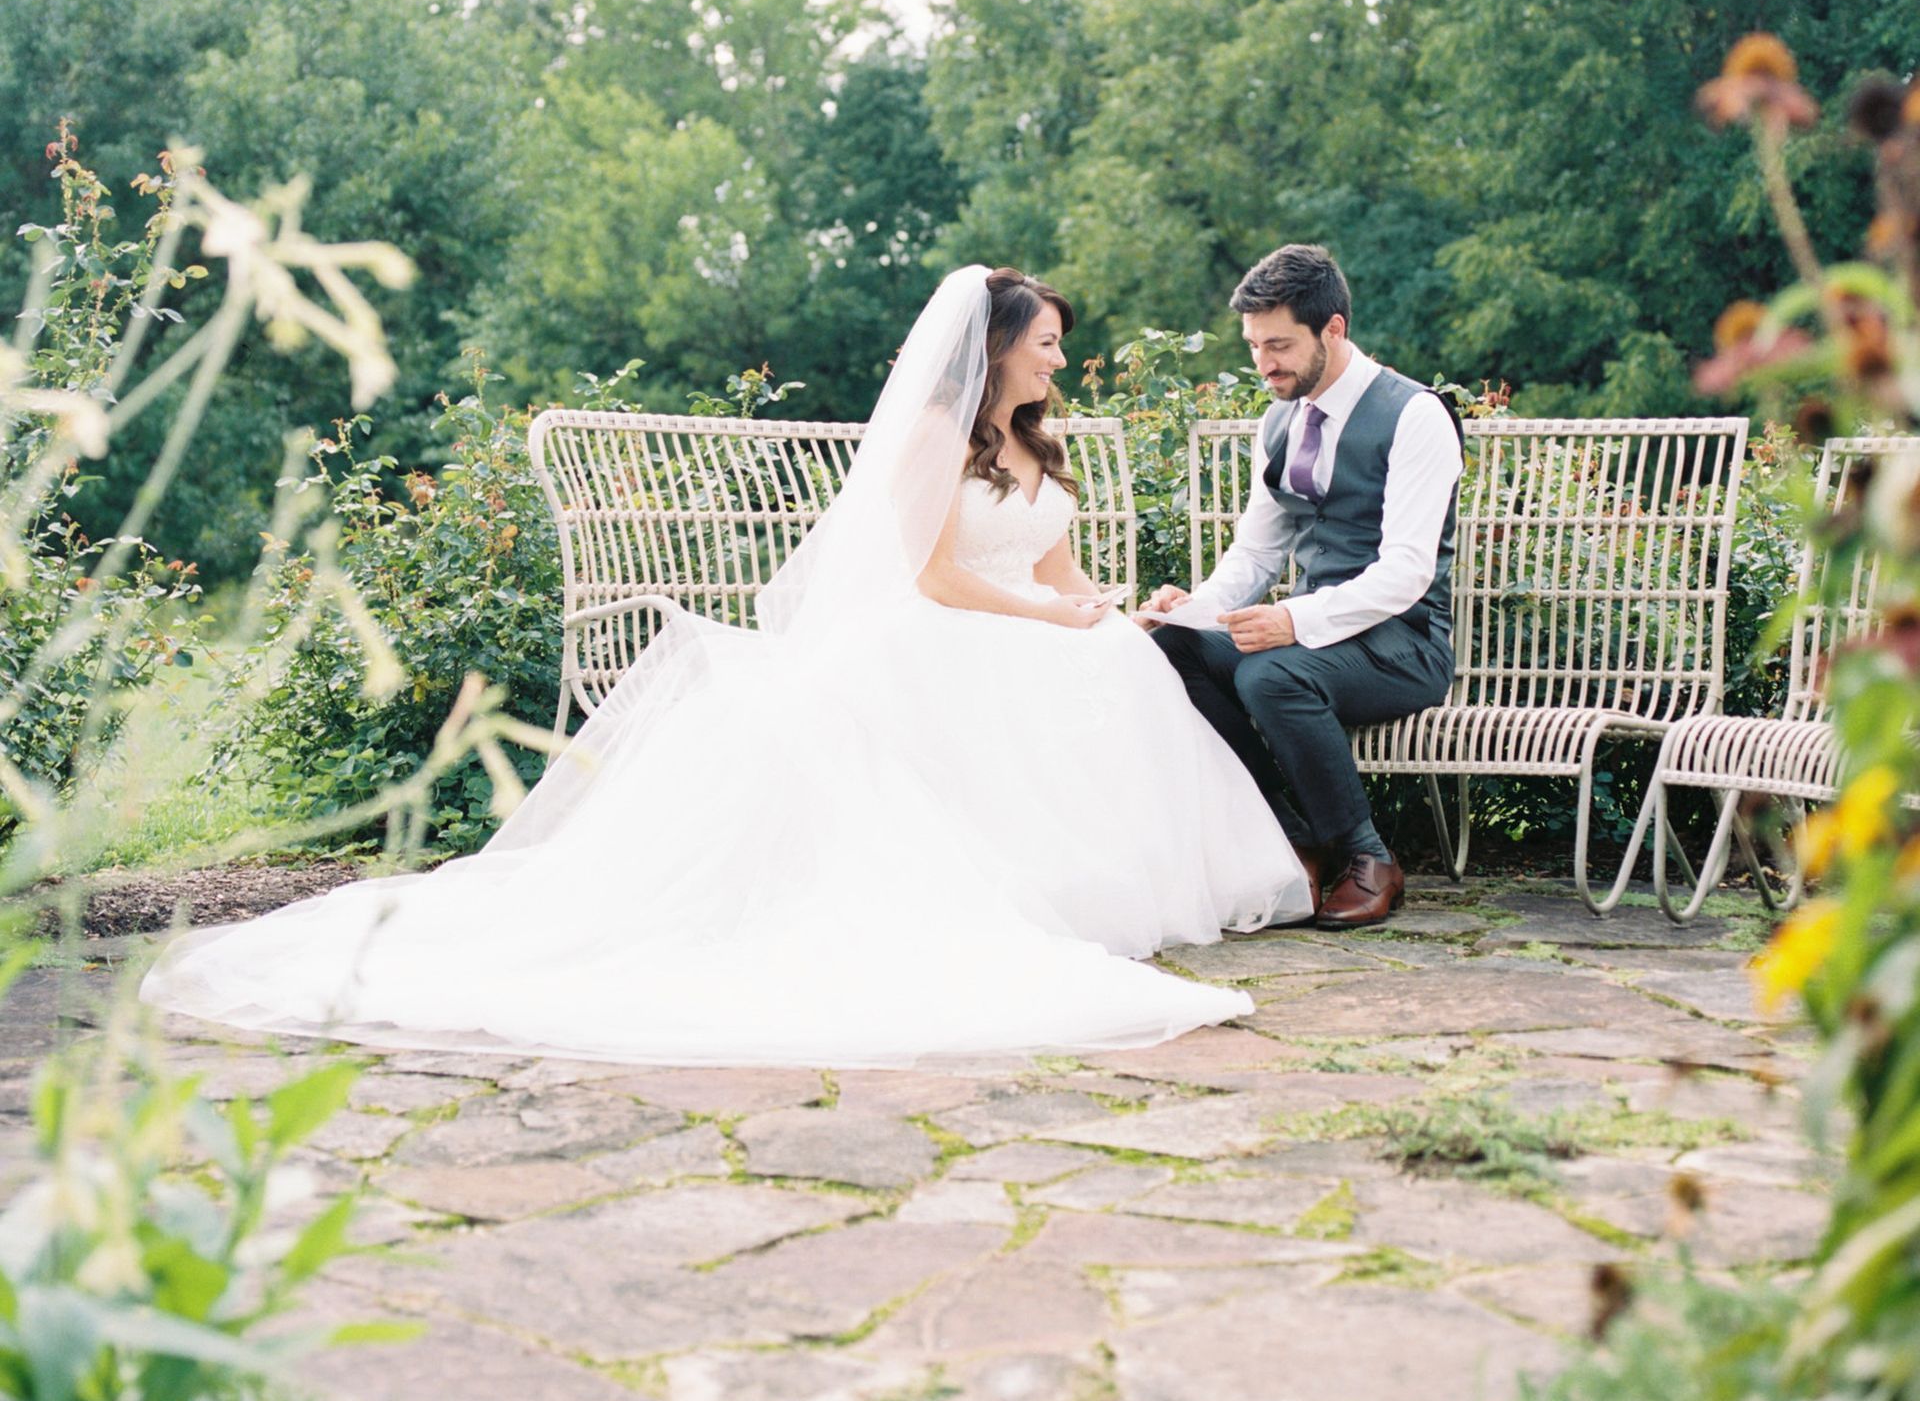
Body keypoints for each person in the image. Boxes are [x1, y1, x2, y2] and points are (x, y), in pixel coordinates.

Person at [144, 267, 1311, 1067]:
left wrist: (1091, 608)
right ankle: (1019, 889)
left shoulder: (1036, 441)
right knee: (1042, 666)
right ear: (998, 346)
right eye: (1047, 340)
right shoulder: (924, 441)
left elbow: (1053, 564)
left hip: (1015, 618)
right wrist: (1045, 621)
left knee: (1122, 661)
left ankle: (1102, 884)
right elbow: (936, 581)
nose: (1062, 355)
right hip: (942, 625)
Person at [1139, 244, 1463, 929]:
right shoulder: (1281, 420)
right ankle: (1290, 838)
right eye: (1255, 346)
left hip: (1403, 646)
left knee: (1271, 678)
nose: (1265, 364)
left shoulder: (1415, 416)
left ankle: (1367, 857)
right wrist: (1190, 608)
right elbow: (1256, 554)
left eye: (1280, 344)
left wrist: (1294, 621)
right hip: (1316, 643)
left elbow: (1407, 572)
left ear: (1334, 330)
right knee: (1175, 649)